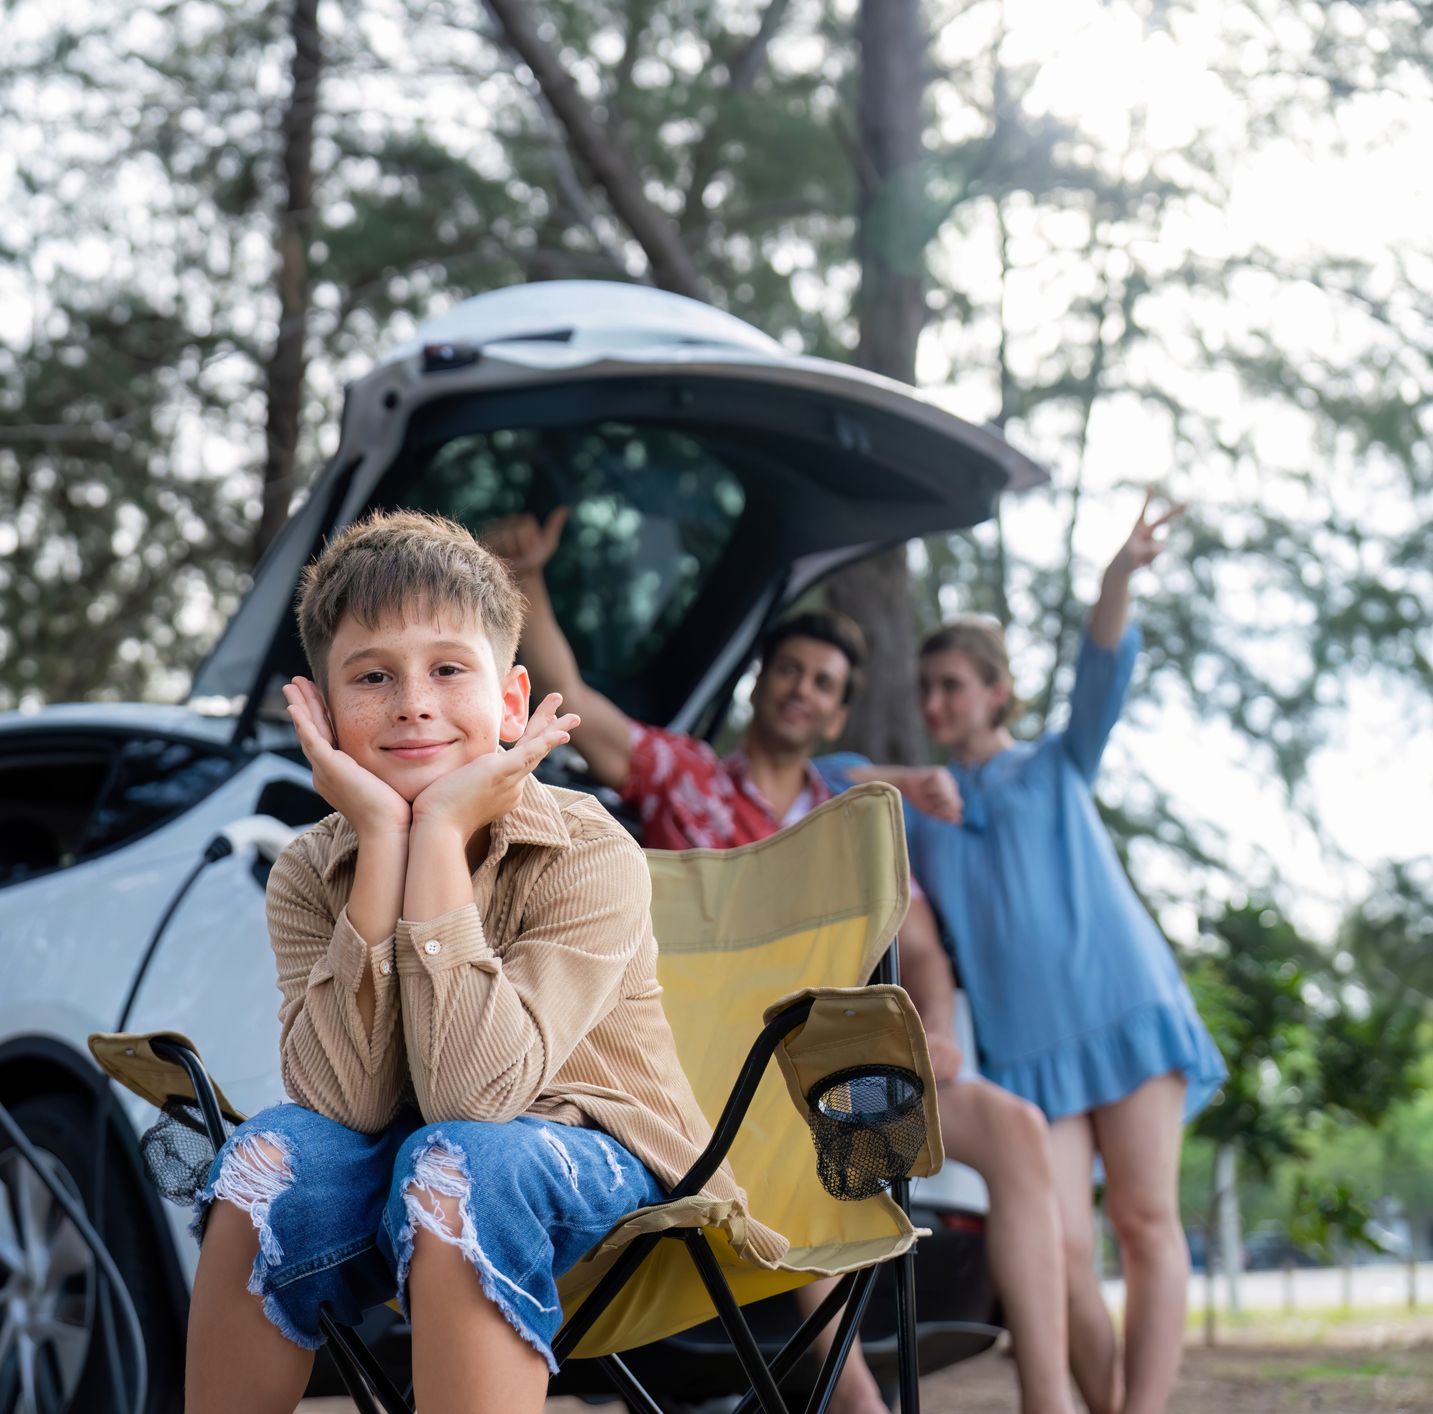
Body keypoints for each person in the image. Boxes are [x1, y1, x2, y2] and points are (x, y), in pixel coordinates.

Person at [184, 510, 787, 1414]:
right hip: (402, 1154)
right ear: (323, 711)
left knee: (460, 1157)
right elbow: (341, 1104)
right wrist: (388, 836)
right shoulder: (312, 868)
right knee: (268, 1157)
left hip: (603, 1168)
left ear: (510, 702)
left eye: (448, 670)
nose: (413, 702)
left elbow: (476, 1098)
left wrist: (440, 843)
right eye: (372, 676)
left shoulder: (587, 850)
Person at [487, 507, 1076, 1414]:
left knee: (1016, 1129)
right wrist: (526, 581)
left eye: (824, 683)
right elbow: (571, 694)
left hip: (844, 1069)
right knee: (804, 1138)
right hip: (725, 1077)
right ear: (762, 684)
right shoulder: (684, 776)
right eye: (790, 671)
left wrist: (944, 1032)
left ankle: (1049, 1402)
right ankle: (864, 1408)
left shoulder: (844, 819)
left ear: (837, 713)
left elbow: (918, 949)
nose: (802, 689)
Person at [881, 491, 1226, 1414]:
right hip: (1031, 1056)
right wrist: (911, 781)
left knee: (1145, 1223)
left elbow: (1101, 669)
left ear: (997, 691)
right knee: (1066, 1251)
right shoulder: (920, 809)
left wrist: (1115, 577)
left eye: (952, 684)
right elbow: (825, 780)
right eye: (926, 689)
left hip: (1123, 1012)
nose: (935, 702)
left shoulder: (1056, 762)